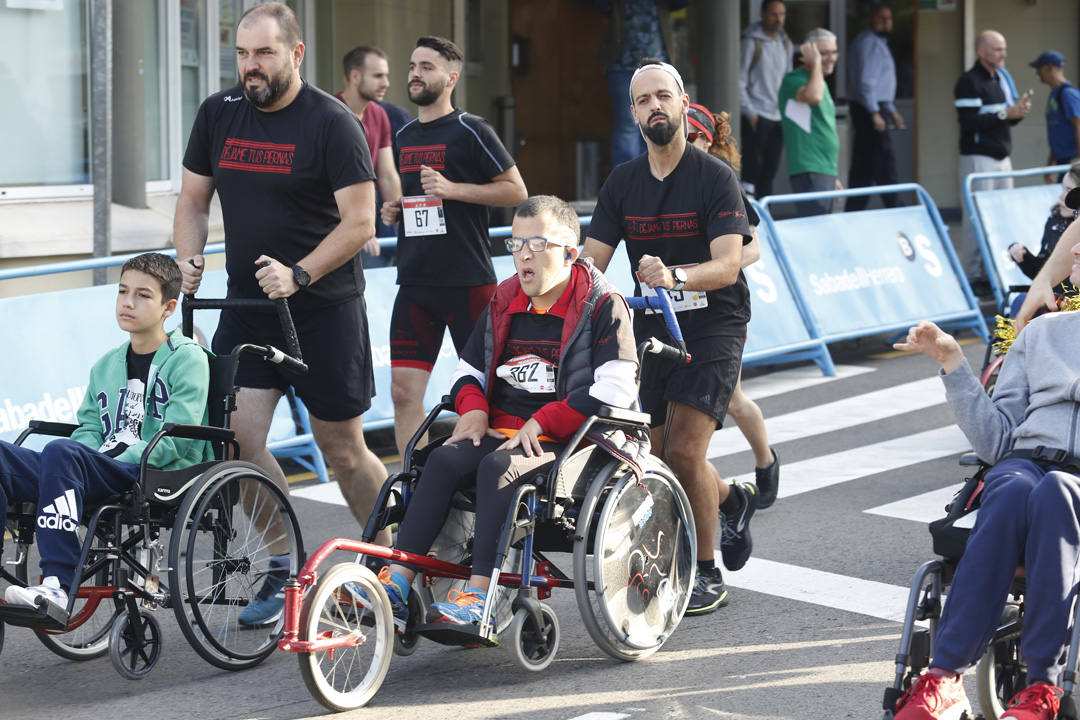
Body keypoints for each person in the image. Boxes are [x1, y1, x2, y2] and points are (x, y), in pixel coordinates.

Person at [173, 2, 388, 626]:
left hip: (323, 311)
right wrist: (187, 259)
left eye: (263, 53)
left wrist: (299, 274)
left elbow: (360, 223)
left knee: (342, 449)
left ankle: (392, 564)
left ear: (295, 54)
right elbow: (192, 200)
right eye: (241, 54)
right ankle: (283, 565)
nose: (250, 67)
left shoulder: (332, 122)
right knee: (236, 443)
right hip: (248, 308)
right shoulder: (219, 114)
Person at [369, 195, 643, 629]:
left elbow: (616, 387)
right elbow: (467, 371)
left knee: (497, 469)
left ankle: (477, 595)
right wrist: (473, 408)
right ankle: (396, 582)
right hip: (502, 429)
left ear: (570, 253)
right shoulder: (505, 298)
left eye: (536, 244)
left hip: (571, 440)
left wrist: (546, 419)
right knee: (439, 460)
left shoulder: (602, 304)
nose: (523, 255)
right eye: (516, 244)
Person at [582, 59, 759, 615]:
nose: (653, 106)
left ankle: (706, 572)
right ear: (633, 113)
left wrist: (676, 276)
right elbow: (593, 261)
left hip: (714, 322)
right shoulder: (622, 183)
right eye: (642, 100)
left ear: (683, 103)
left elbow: (730, 263)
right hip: (652, 325)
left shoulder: (713, 177)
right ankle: (730, 501)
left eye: (663, 96)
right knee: (654, 452)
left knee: (685, 449)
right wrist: (560, 281)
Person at [890, 239, 1080, 720]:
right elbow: (997, 442)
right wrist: (954, 364)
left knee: (1056, 490)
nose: (1074, 249)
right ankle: (943, 677)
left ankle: (1044, 685)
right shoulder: (1040, 336)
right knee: (1012, 483)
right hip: (1027, 460)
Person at [1, 254, 213, 613]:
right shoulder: (105, 364)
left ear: (169, 307)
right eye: (123, 291)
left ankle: (58, 586)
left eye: (143, 295)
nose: (128, 302)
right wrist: (84, 458)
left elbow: (179, 439)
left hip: (151, 470)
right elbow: (88, 428)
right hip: (96, 466)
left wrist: (87, 459)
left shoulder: (188, 359)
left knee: (62, 452)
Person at [381, 35, 527, 460]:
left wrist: (452, 189)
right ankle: (415, 488)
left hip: (467, 283)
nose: (415, 74)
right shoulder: (404, 135)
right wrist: (396, 209)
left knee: (488, 392)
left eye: (427, 66)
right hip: (415, 282)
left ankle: (492, 476)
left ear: (451, 77)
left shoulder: (471, 129)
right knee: (403, 392)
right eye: (412, 65)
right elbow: (419, 201)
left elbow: (515, 190)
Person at [687, 102, 781, 508]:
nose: (685, 144)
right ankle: (696, 482)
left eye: (692, 137)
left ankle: (766, 461)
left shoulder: (723, 182)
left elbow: (754, 248)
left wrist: (711, 268)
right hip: (675, 308)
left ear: (708, 142)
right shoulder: (657, 182)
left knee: (732, 399)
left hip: (721, 307)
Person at [955, 30, 1032, 291]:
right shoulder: (968, 81)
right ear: (982, 51)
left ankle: (995, 271)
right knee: (975, 217)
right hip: (979, 159)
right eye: (998, 49)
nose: (1003, 54)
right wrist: (1004, 113)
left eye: (1004, 48)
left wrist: (1017, 112)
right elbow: (968, 121)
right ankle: (974, 275)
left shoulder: (1000, 78)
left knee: (1000, 217)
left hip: (1002, 157)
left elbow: (1006, 116)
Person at [596, 0, 688, 167]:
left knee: (660, 121)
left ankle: (656, 175)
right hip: (622, 64)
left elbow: (680, 3)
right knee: (629, 124)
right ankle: (628, 183)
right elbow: (602, 6)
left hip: (660, 65)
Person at [336, 45, 402, 258]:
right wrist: (360, 229)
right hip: (334, 227)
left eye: (386, 76)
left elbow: (388, 176)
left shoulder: (380, 114)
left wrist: (404, 223)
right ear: (355, 76)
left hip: (368, 223)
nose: (386, 83)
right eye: (378, 76)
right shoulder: (330, 114)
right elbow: (326, 184)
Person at [845, 4, 904, 211]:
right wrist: (875, 113)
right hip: (869, 111)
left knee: (866, 166)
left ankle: (855, 210)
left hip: (876, 108)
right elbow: (866, 83)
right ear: (872, 19)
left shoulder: (878, 42)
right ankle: (895, 207)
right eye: (881, 18)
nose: (886, 22)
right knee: (883, 163)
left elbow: (880, 84)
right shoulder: (869, 43)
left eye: (889, 18)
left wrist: (890, 109)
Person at [778, 28, 842, 217]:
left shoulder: (819, 81)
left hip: (824, 169)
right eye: (824, 53)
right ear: (809, 53)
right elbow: (813, 96)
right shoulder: (794, 80)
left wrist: (833, 174)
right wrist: (815, 64)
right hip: (810, 170)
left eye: (834, 52)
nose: (831, 58)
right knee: (816, 230)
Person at [738, 0, 792, 199]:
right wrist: (751, 114)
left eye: (782, 14)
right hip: (757, 115)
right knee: (752, 173)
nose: (778, 19)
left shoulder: (786, 43)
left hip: (778, 117)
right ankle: (749, 220)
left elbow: (788, 82)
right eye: (773, 14)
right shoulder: (751, 42)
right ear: (762, 14)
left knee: (770, 172)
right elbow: (739, 81)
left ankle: (765, 219)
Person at [1007, 162, 1079, 296]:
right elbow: (1043, 274)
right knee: (1020, 302)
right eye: (1062, 188)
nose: (1061, 196)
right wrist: (1022, 256)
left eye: (1068, 190)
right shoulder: (1056, 220)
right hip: (1059, 303)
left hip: (1072, 304)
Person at [1029, 50, 1080, 176]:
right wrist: (1049, 165)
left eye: (1039, 69)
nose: (1037, 73)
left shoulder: (1068, 94)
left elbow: (1078, 126)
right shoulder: (1055, 94)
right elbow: (1057, 132)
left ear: (1049, 67)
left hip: (1072, 162)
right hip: (1062, 162)